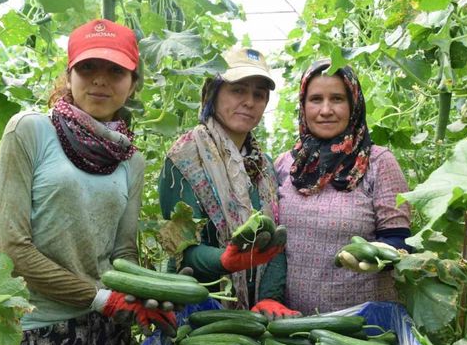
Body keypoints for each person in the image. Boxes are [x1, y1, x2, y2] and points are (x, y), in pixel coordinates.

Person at [0, 18, 175, 345]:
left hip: (109, 328)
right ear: (70, 73)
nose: (100, 80)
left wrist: (155, 292)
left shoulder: (130, 159)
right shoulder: (29, 131)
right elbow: (12, 249)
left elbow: (122, 252)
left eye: (116, 71)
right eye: (88, 66)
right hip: (39, 328)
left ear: (133, 83)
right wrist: (99, 297)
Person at [159, 47, 298, 319]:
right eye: (238, 90)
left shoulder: (264, 166)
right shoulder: (182, 160)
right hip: (199, 311)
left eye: (259, 95)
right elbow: (179, 250)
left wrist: (269, 297)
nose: (249, 101)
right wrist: (224, 261)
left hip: (252, 321)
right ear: (213, 93)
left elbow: (275, 244)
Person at [274, 58, 412, 315]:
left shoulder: (378, 162)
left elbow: (400, 239)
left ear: (354, 104)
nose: (326, 110)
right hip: (292, 325)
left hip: (363, 325)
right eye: (315, 99)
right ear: (303, 106)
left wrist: (377, 258)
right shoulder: (285, 165)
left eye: (337, 98)